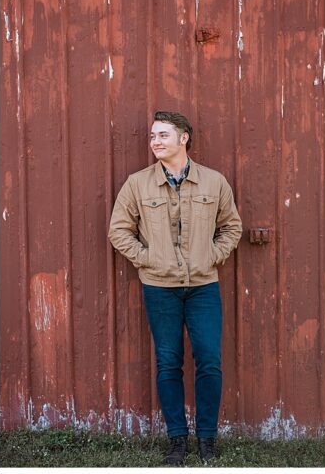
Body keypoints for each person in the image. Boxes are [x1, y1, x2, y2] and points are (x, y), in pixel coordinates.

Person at [108, 111, 242, 465]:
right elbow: (118, 231)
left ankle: (208, 441)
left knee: (209, 361)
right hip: (159, 288)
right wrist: (148, 259)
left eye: (163, 135)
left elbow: (232, 226)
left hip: (203, 286)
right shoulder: (137, 184)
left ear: (184, 138)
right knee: (168, 362)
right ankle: (177, 442)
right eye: (152, 136)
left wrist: (212, 255)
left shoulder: (213, 182)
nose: (155, 142)